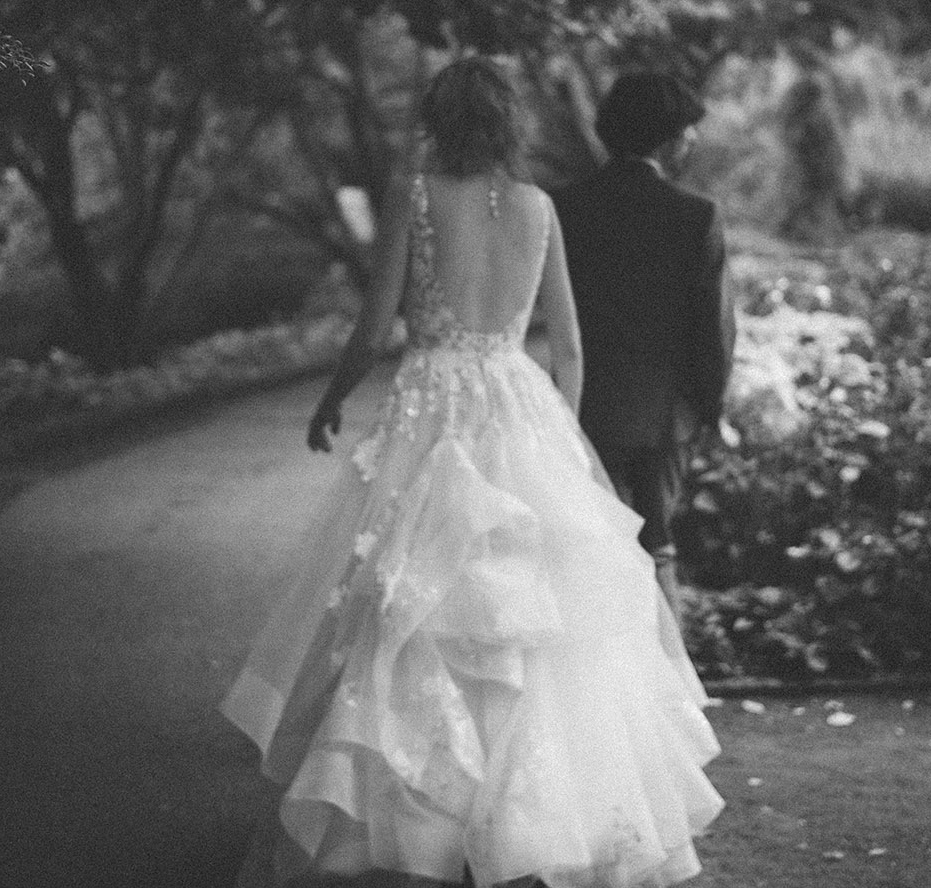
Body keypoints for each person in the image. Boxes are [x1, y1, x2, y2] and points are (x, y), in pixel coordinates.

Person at [221, 57, 723, 888]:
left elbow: (378, 323)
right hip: (520, 405)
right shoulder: (539, 207)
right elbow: (567, 346)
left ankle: (427, 821)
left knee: (415, 605)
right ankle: (529, 821)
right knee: (535, 621)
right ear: (509, 122)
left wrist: (333, 398)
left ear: (440, 119)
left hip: (434, 405)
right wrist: (563, 434)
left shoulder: (417, 196)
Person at [551, 72, 736, 622]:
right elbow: (713, 330)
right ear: (669, 136)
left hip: (582, 405)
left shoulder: (564, 207)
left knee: (590, 546)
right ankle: (668, 691)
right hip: (662, 417)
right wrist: (710, 407)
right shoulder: (695, 214)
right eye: (689, 128)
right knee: (658, 551)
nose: (695, 139)